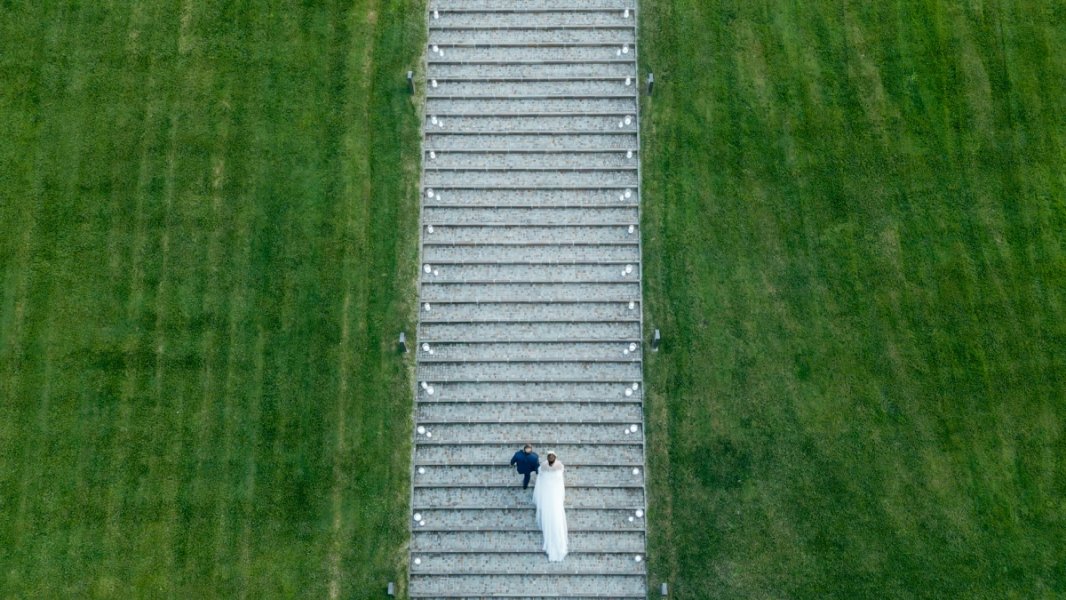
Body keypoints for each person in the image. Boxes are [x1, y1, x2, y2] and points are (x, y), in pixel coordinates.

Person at [533, 451, 568, 562]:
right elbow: (541, 479)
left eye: (552, 456)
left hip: (554, 495)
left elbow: (560, 481)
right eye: (549, 456)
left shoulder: (559, 466)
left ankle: (557, 543)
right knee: (548, 516)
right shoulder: (543, 467)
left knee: (556, 516)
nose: (551, 458)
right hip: (548, 494)